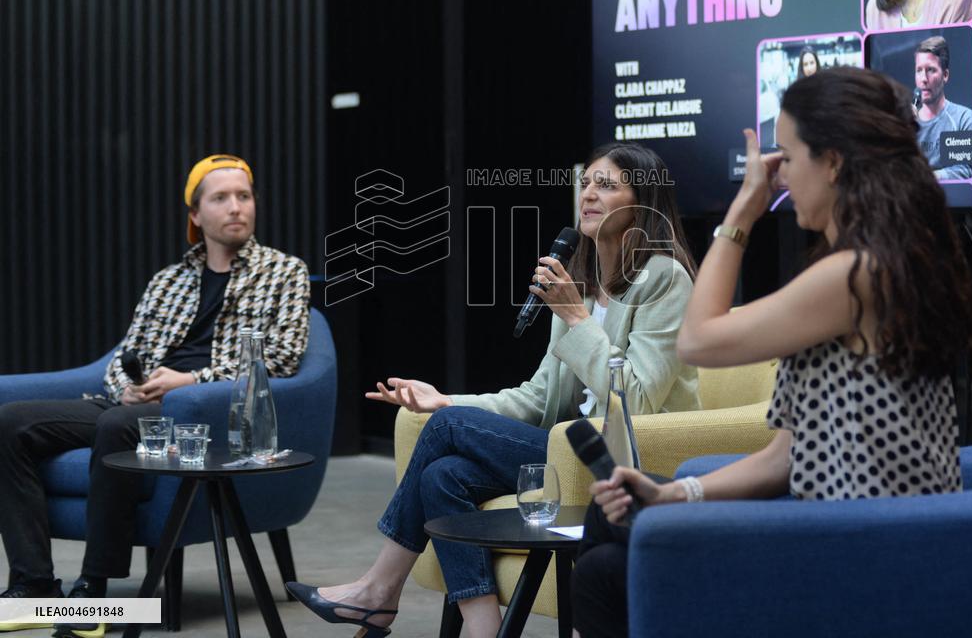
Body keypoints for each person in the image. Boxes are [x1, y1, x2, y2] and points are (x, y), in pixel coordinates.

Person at [572, 67, 972, 638]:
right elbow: (784, 457)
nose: (776, 174)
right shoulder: (878, 262)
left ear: (833, 162)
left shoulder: (855, 275)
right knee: (612, 531)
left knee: (600, 573)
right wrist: (674, 493)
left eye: (786, 156)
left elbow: (698, 341)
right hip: (842, 527)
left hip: (868, 547)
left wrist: (740, 215)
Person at [287, 142, 701, 638]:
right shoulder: (585, 284)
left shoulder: (664, 277)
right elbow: (536, 397)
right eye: (586, 182)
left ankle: (379, 591)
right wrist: (447, 400)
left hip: (625, 459)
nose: (588, 194)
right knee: (443, 475)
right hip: (568, 448)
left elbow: (637, 398)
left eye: (607, 185)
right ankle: (483, 627)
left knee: (445, 432)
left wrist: (575, 318)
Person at [0, 155, 311, 638]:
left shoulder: (284, 272)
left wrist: (191, 382)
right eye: (220, 198)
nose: (236, 208)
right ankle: (32, 584)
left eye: (244, 196)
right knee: (10, 421)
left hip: (205, 412)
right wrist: (126, 385)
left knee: (117, 427)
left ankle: (93, 591)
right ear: (195, 215)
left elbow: (284, 358)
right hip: (139, 403)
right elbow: (127, 353)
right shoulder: (169, 280)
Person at [913, 35, 972, 179]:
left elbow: (968, 170)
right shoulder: (905, 122)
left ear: (945, 75)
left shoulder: (963, 118)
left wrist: (927, 178)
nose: (923, 79)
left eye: (931, 70)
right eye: (919, 70)